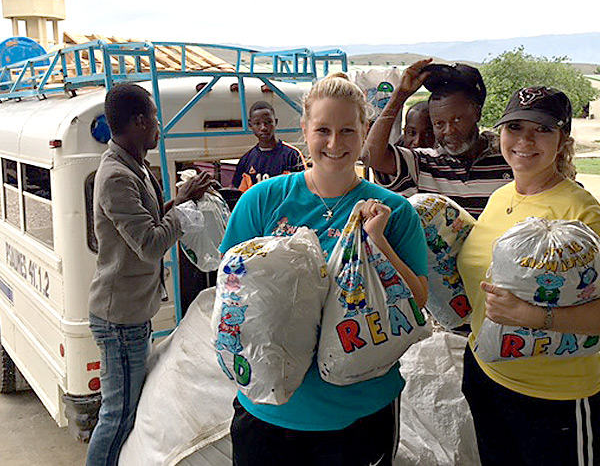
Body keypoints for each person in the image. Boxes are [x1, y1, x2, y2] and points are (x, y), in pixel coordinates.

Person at [220, 73, 429, 466]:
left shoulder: (395, 212)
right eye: (323, 130)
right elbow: (233, 291)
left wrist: (376, 241)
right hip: (270, 410)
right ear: (304, 130)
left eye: (348, 130)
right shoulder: (263, 201)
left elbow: (416, 302)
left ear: (365, 131)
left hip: (358, 413)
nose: (335, 144)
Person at [457, 86, 600, 465]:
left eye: (541, 129)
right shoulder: (501, 196)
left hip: (555, 396)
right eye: (516, 127)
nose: (525, 140)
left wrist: (533, 316)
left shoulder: (578, 209)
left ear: (563, 141)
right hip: (485, 374)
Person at [86, 83, 215, 466]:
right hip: (118, 317)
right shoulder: (116, 176)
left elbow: (151, 218)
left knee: (128, 409)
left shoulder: (133, 165)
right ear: (140, 121)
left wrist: (182, 199)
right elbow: (149, 242)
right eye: (155, 116)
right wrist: (182, 213)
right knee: (116, 414)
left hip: (131, 313)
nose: (159, 125)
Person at [364, 59, 512, 217]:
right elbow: (371, 156)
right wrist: (400, 95)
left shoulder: (508, 159)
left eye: (457, 120)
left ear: (477, 113)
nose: (449, 131)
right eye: (439, 124)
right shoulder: (423, 164)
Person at [231, 101, 306, 192]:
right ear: (250, 125)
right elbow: (239, 195)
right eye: (257, 123)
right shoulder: (246, 160)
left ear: (276, 122)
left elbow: (303, 189)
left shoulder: (292, 155)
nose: (263, 128)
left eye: (268, 122)